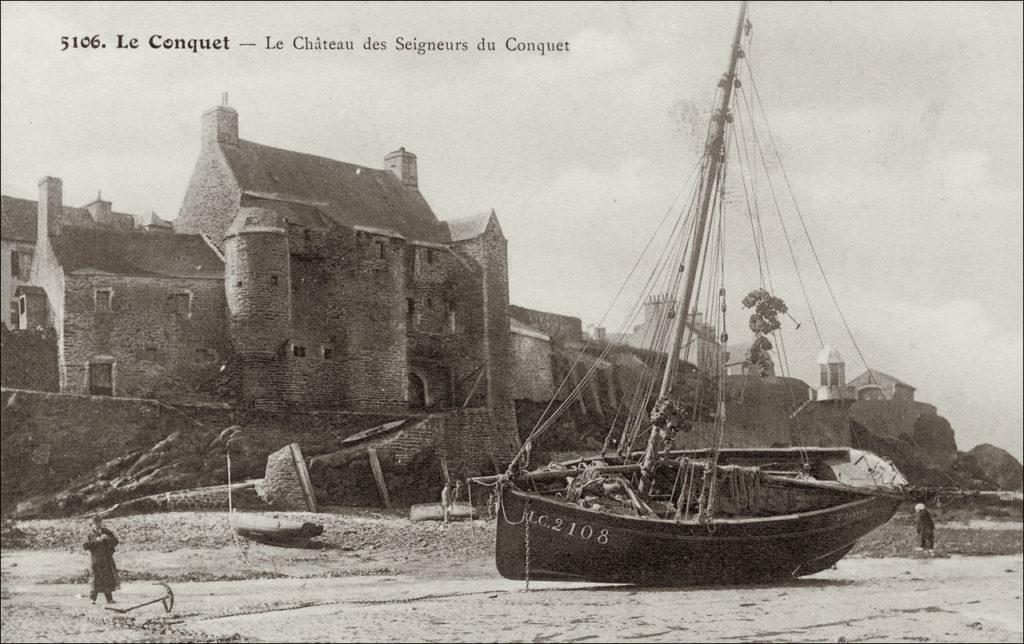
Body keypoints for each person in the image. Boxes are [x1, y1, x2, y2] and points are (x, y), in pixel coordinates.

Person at [84, 516, 120, 604]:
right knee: (95, 579)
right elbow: (85, 546)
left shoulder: (107, 532)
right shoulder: (89, 534)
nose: (98, 525)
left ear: (101, 522)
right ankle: (92, 599)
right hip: (95, 560)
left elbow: (116, 542)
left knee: (107, 578)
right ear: (92, 524)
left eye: (99, 523)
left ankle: (109, 599)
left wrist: (108, 538)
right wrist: (96, 541)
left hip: (107, 559)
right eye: (96, 523)